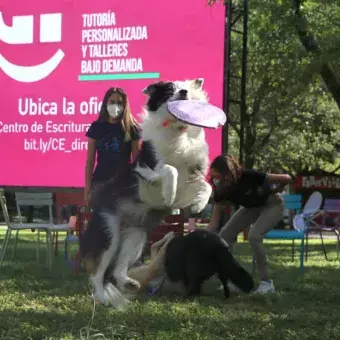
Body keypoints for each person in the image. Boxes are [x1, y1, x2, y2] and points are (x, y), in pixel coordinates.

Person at [206, 155, 292, 294]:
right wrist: (198, 236)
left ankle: (267, 283)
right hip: (250, 207)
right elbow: (214, 224)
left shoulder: (249, 176)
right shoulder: (221, 190)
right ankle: (233, 280)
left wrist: (274, 190)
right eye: (214, 177)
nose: (217, 181)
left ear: (229, 173)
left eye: (219, 176)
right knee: (224, 236)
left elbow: (287, 178)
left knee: (254, 236)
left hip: (272, 204)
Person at [84, 87, 141, 207]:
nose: (116, 106)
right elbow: (90, 161)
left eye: (119, 103)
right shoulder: (97, 127)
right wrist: (87, 190)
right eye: (112, 102)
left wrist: (137, 188)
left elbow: (137, 161)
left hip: (124, 184)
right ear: (106, 103)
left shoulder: (132, 127)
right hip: (100, 183)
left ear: (125, 105)